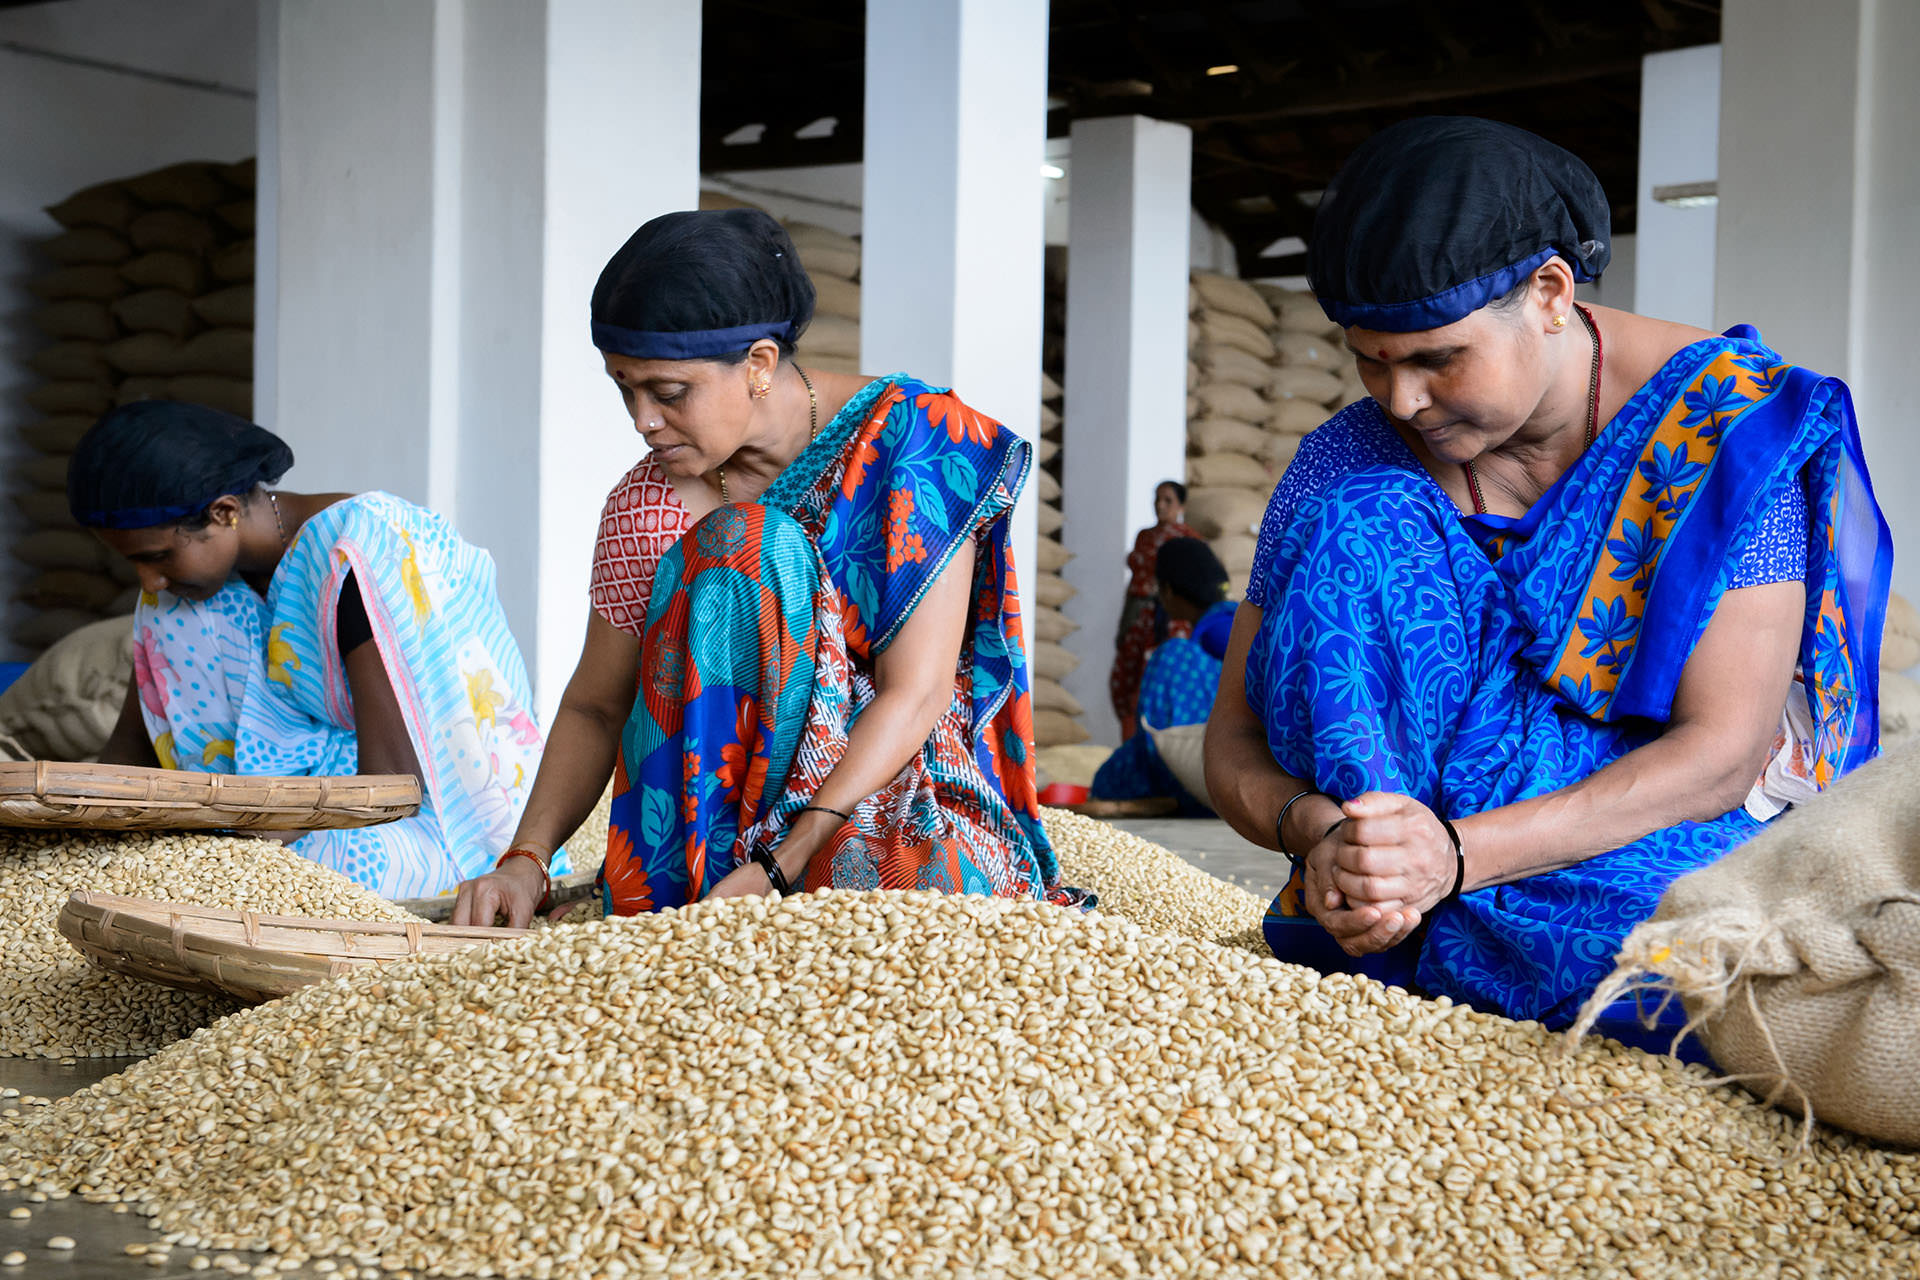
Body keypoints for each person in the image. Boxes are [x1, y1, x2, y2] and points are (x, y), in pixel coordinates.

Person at [1203, 117, 1891, 1051]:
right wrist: (1331, 841)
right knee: (1364, 518)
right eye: (1371, 359)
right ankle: (1388, 918)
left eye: (1439, 359)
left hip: (1611, 832)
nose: (1402, 400)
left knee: (1686, 950)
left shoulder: (1727, 434)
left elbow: (1726, 752)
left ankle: (1439, 926)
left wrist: (1457, 858)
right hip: (1398, 853)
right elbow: (1234, 739)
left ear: (1551, 294)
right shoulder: (1352, 456)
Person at [452, 209, 1081, 928]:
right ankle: (677, 910)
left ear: (757, 364)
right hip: (701, 837)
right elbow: (596, 705)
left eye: (668, 392)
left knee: (914, 911)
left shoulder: (913, 440)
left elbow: (916, 692)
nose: (641, 420)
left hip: (881, 792)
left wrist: (781, 863)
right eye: (624, 388)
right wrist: (525, 860)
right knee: (737, 541)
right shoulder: (648, 505)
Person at [71, 401, 551, 898]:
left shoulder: (360, 551)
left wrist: (253, 843)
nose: (149, 578)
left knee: (336, 868)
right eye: (135, 563)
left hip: (427, 814)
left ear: (224, 512)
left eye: (159, 557)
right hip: (267, 820)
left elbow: (389, 788)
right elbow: (128, 754)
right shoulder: (177, 601)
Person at [1091, 537, 1236, 813]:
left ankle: (1174, 783)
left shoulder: (1218, 633)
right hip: (1224, 752)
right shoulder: (1223, 623)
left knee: (1173, 654)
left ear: (1168, 591)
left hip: (1216, 756)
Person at [1109, 480, 1196, 737]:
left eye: (1168, 500)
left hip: (1169, 622)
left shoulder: (1190, 541)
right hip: (1138, 619)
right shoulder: (1144, 537)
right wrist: (1125, 624)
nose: (1160, 506)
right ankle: (1130, 746)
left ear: (1181, 505)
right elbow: (1135, 584)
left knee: (1160, 682)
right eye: (1157, 499)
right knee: (1128, 681)